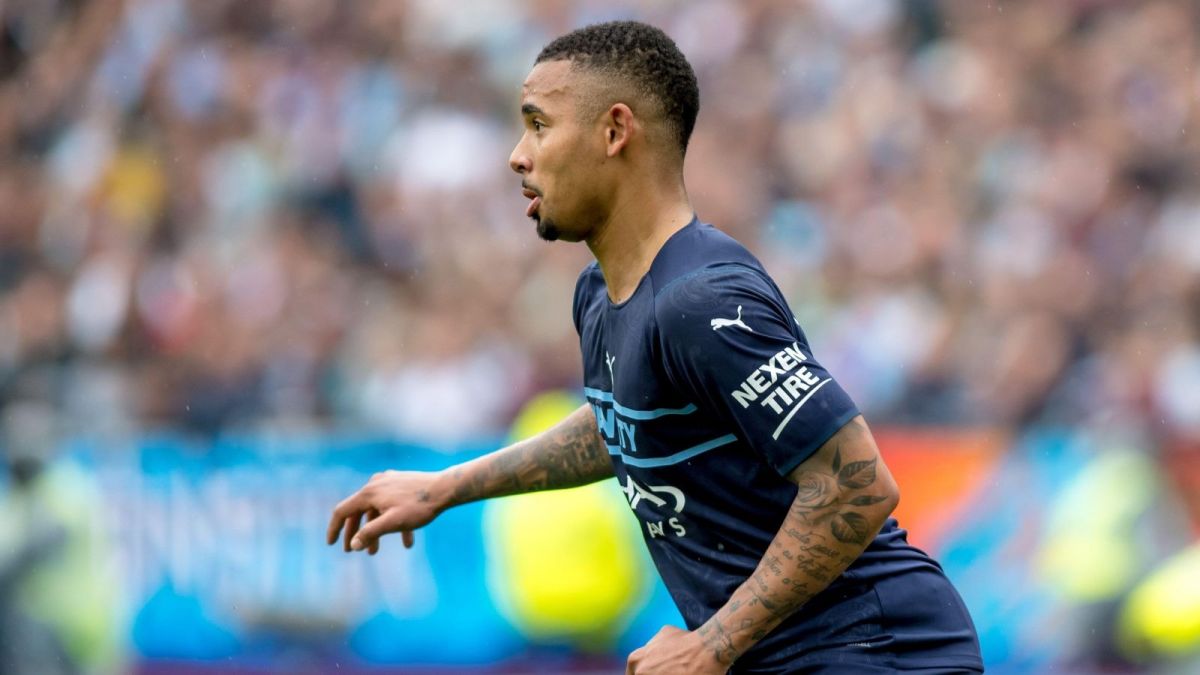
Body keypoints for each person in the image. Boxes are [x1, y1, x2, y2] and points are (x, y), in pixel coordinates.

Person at [328, 21, 983, 674]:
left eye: (539, 125)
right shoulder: (599, 294)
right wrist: (445, 487)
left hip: (878, 651)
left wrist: (714, 642)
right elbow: (624, 422)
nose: (518, 156)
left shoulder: (702, 300)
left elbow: (855, 482)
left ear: (615, 131)